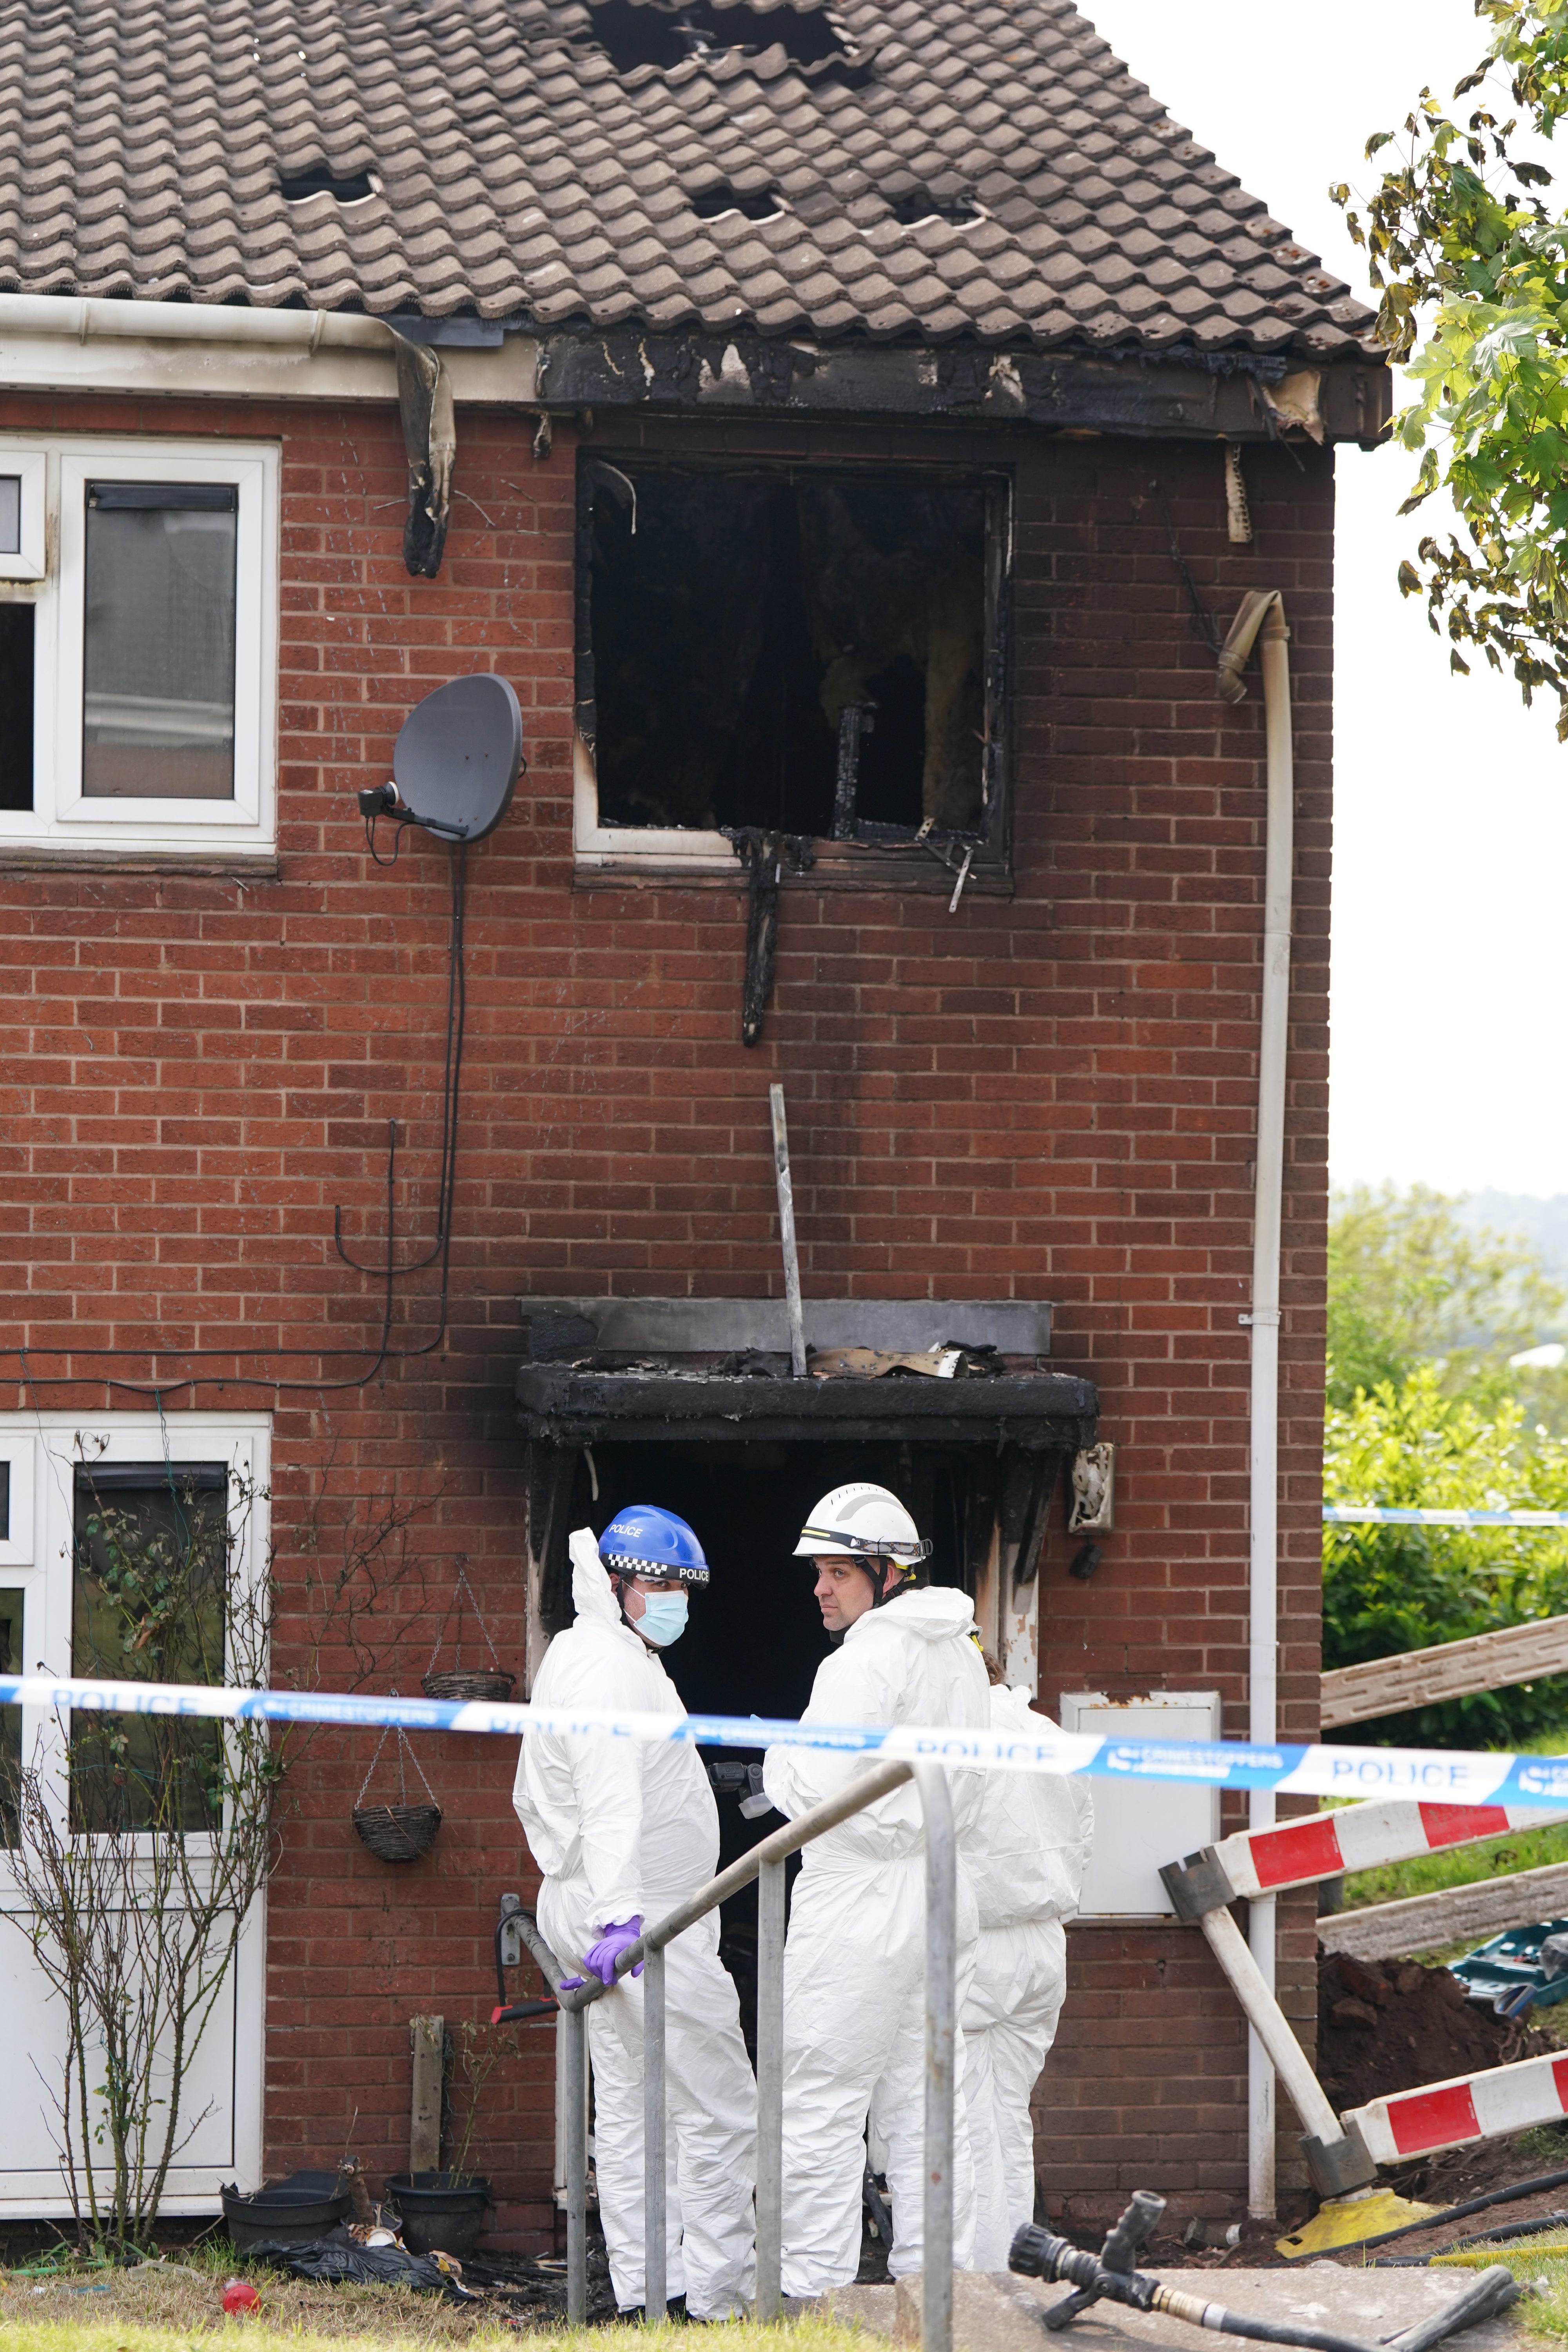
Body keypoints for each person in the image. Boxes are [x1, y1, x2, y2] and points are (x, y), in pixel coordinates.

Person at [512, 1506, 756, 2321]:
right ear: (615, 1585)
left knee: (632, 2110)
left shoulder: (607, 1654)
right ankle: (720, 2301)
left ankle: (651, 2292)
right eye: (658, 1584)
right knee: (718, 2102)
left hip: (620, 1909)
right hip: (637, 1919)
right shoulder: (607, 1666)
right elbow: (610, 1793)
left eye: (680, 1588)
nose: (672, 1600)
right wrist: (619, 1918)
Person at [762, 1481, 990, 2298]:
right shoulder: (961, 1653)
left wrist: (773, 1762)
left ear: (886, 1574)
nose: (821, 1589)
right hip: (939, 1889)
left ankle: (810, 2299)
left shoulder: (863, 1658)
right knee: (930, 2100)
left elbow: (814, 1788)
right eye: (818, 1572)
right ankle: (937, 2296)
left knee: (820, 2098)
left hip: (857, 1898)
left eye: (836, 1573)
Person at [961, 1659, 1094, 2271]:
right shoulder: (1049, 1735)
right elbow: (1083, 1836)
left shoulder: (958, 1735)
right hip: (1045, 1943)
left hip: (978, 1942)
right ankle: (1014, 2260)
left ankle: (974, 2275)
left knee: (959, 2121)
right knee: (1008, 2115)